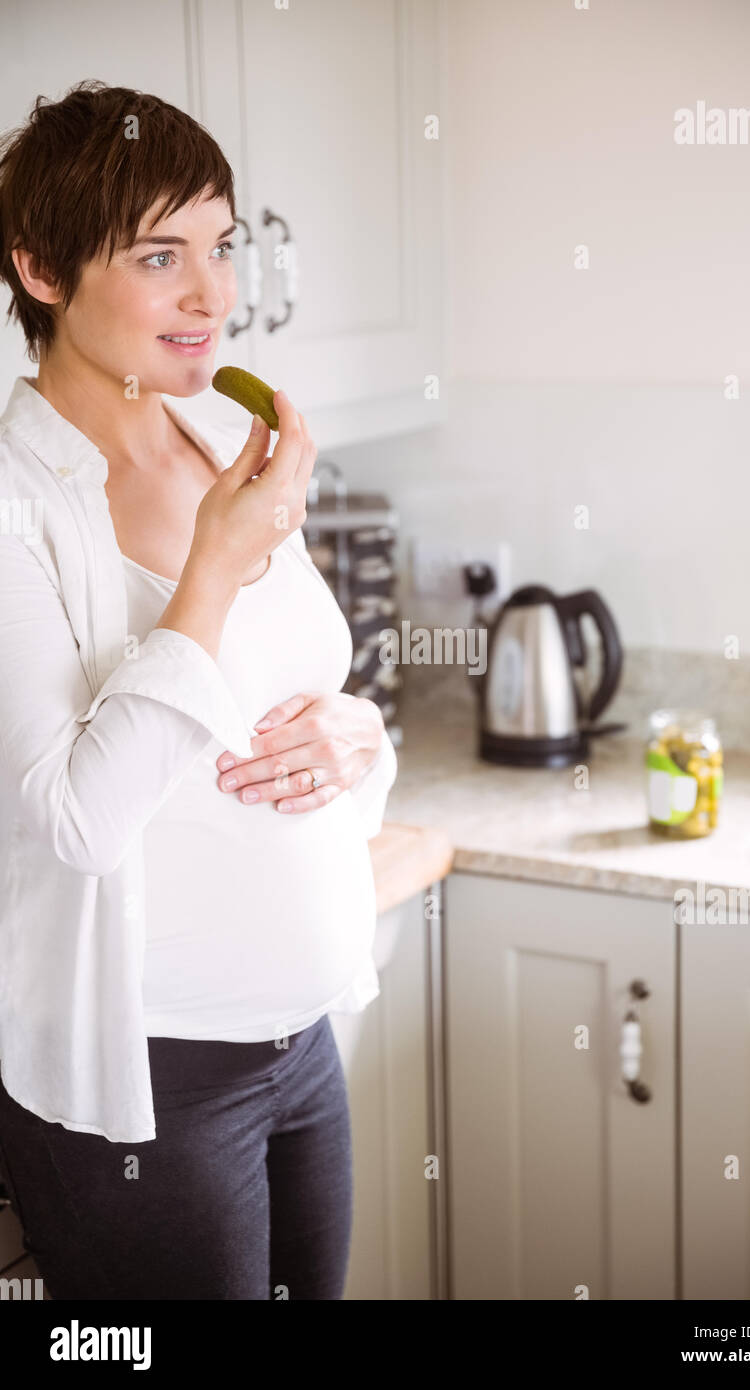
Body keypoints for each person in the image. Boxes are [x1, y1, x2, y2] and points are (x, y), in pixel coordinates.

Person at [0, 80, 398, 1300]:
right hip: (147, 1086)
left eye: (220, 247)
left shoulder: (227, 442)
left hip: (303, 1046)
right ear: (43, 272)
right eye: (160, 254)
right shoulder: (15, 507)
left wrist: (360, 736)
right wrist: (214, 569)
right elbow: (76, 819)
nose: (211, 294)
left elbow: (318, 696)